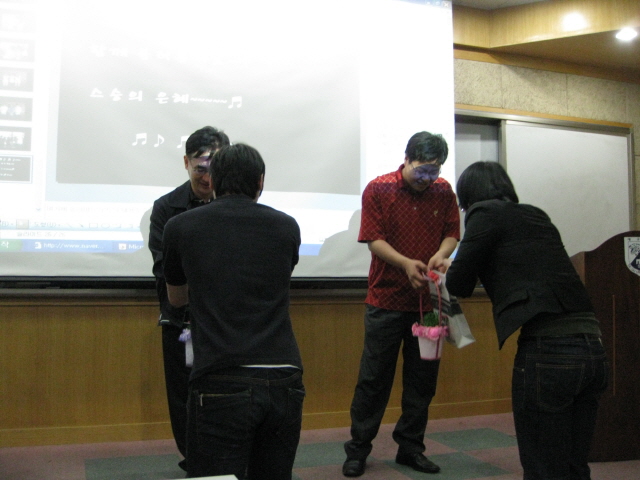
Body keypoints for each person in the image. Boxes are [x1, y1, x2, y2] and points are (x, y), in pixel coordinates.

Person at [444, 161, 608, 480]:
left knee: (543, 467)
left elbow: (458, 284)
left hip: (549, 354)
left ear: (468, 198)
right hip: (594, 350)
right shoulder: (536, 215)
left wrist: (453, 264)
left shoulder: (484, 213)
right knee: (575, 465)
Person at [162, 143, 305, 479]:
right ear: (260, 181)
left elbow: (176, 298)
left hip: (220, 375)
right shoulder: (287, 226)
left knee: (214, 476)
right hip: (283, 375)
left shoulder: (180, 227)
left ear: (213, 179)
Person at [343, 131, 460, 477]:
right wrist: (407, 264)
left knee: (422, 382)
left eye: (434, 171)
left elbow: (452, 233)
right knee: (373, 380)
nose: (427, 178)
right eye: (421, 170)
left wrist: (441, 254)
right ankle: (358, 450)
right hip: (386, 300)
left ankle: (411, 448)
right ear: (406, 159)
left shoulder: (444, 191)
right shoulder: (379, 189)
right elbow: (373, 240)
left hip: (430, 304)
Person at [148, 126, 230, 471]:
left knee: (225, 392)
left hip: (224, 320)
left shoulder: (234, 206)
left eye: (214, 169)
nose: (207, 178)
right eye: (200, 168)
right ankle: (193, 460)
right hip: (181, 319)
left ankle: (222, 458)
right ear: (186, 163)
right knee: (183, 396)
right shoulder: (166, 208)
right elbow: (164, 268)